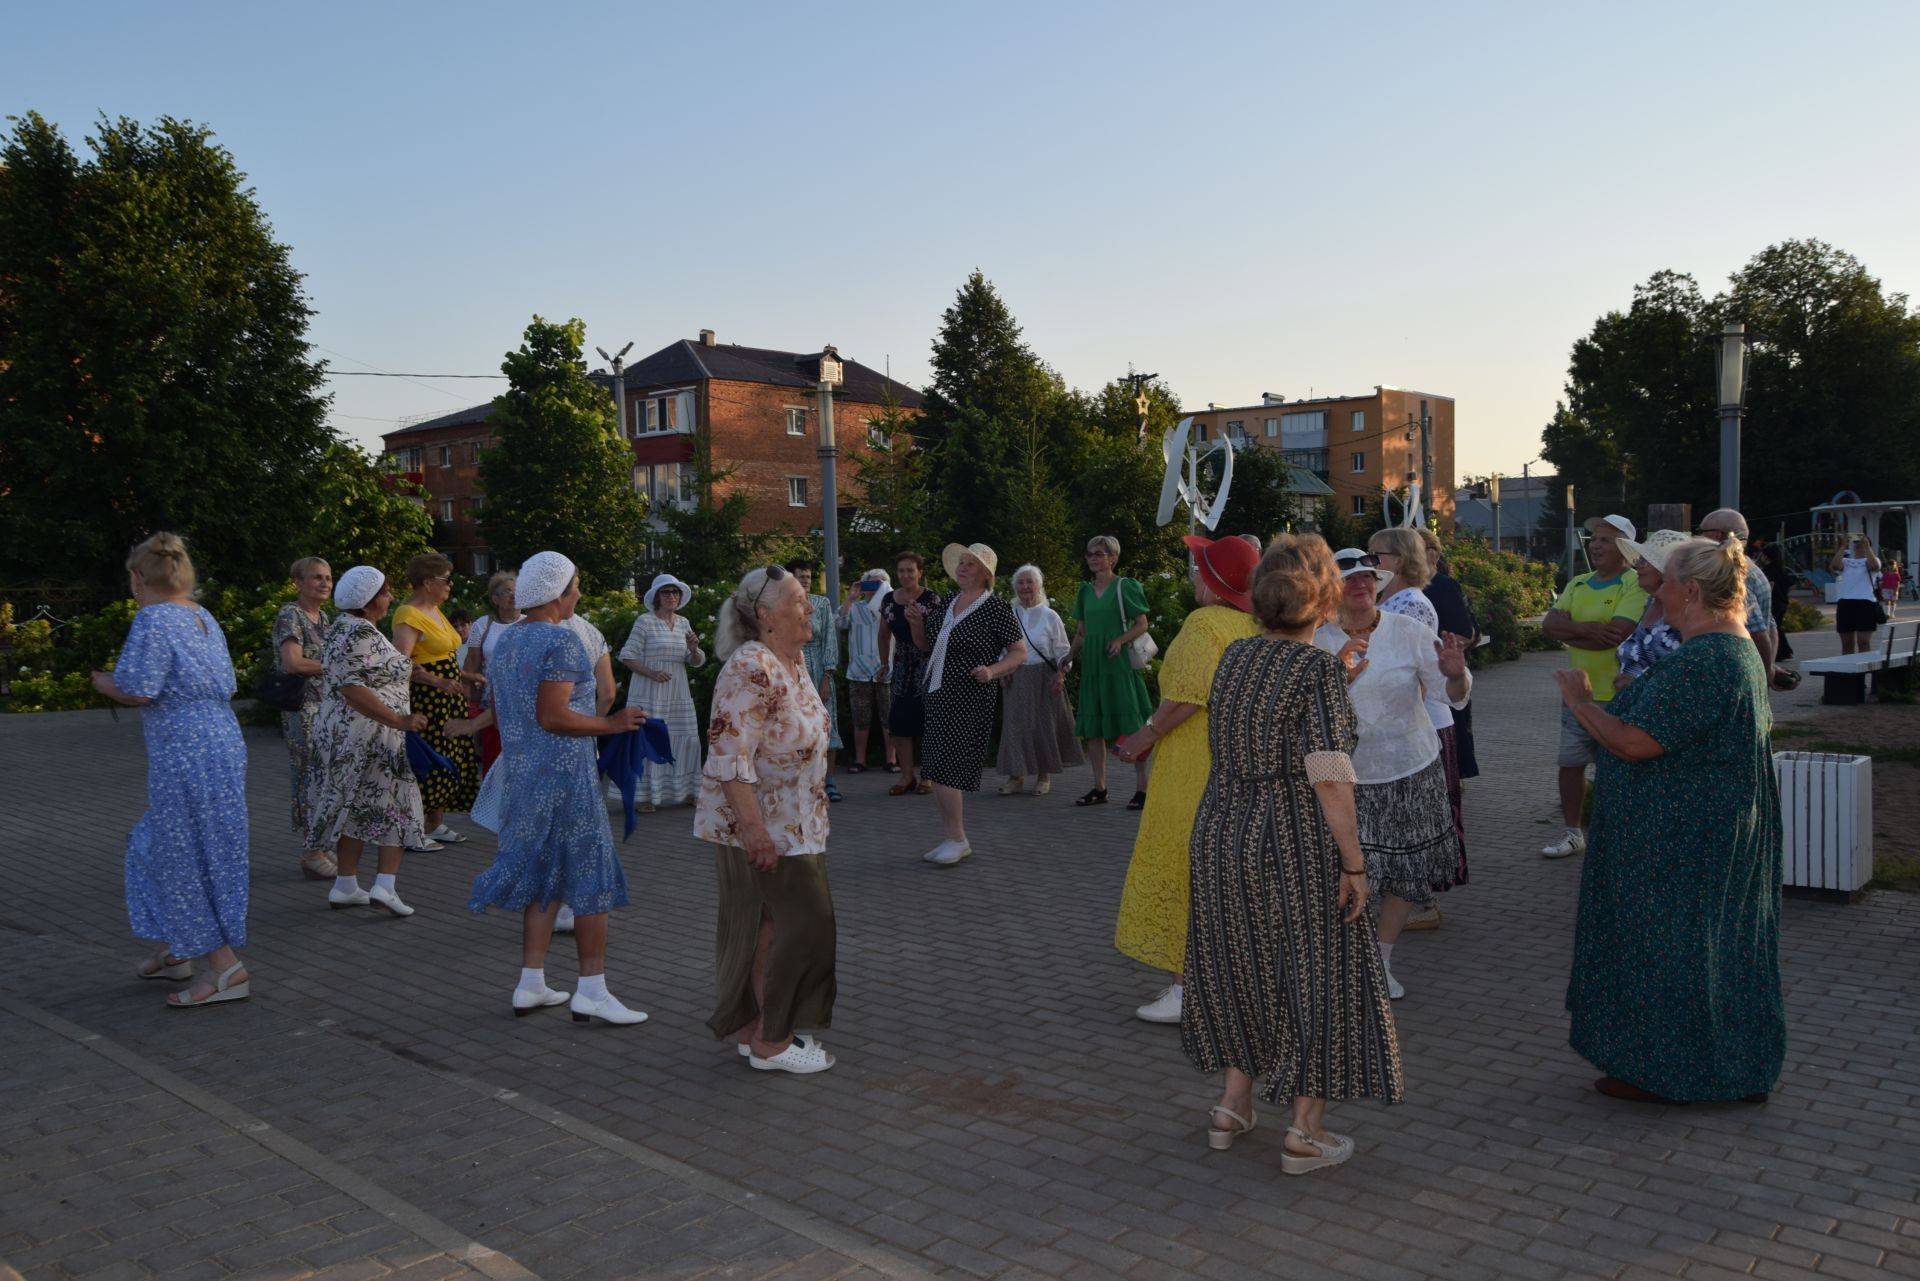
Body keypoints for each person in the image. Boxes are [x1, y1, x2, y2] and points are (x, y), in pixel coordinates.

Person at [1182, 534, 1402, 1174]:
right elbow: (1329, 774)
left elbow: (1266, 721)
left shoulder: (1237, 658)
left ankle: (1231, 1104)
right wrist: (1355, 864)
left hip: (1223, 831)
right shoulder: (1318, 671)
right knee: (1318, 975)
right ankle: (1305, 1132)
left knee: (1237, 963)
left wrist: (1339, 683)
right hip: (1291, 840)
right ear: (1327, 599)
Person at [1557, 537, 1784, 1104]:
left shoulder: (1709, 659)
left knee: (1673, 948)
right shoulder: (1728, 651)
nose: (1648, 585)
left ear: (1689, 590)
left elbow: (1635, 743)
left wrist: (1583, 704)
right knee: (1705, 949)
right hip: (1697, 829)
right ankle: (1711, 1064)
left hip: (1681, 840)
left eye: (1662, 578)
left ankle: (1676, 1071)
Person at [468, 552, 651, 1024]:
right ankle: (592, 989)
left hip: (523, 775)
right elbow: (553, 716)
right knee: (591, 879)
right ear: (557, 594)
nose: (579, 595)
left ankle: (531, 982)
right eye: (575, 587)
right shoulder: (562, 641)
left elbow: (510, 712)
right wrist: (611, 725)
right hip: (566, 777)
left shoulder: (507, 641)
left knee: (542, 875)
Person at [90, 533, 253, 1008]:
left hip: (184, 747)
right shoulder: (201, 616)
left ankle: (225, 968)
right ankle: (176, 948)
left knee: (186, 854)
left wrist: (105, 684)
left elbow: (138, 688)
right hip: (221, 737)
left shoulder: (153, 618)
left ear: (139, 578)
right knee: (154, 842)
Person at [695, 565, 839, 1074]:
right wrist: (755, 833)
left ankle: (754, 1030)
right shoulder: (750, 666)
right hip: (761, 828)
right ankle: (773, 1043)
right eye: (799, 600)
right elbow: (729, 757)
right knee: (806, 927)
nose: (809, 607)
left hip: (798, 822)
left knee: (773, 929)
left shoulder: (791, 660)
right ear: (766, 615)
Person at [1111, 535, 1259, 1023]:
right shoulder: (1256, 624)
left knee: (1183, 866)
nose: (1193, 575)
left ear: (1214, 580)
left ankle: (1186, 989)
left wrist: (1143, 735)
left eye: (1198, 568)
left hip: (1193, 762)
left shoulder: (1204, 623)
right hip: (1233, 761)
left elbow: (1188, 696)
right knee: (1220, 873)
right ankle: (1227, 983)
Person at [1315, 549, 1471, 1001]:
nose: (1361, 584)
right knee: (1346, 872)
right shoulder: (1317, 639)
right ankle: (1349, 962)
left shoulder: (1409, 631)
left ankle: (1381, 959)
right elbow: (1307, 710)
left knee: (1404, 871)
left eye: (1368, 576)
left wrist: (1455, 675)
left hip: (1409, 768)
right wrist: (1337, 678)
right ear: (1331, 589)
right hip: (1345, 777)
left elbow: (1453, 694)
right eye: (1349, 578)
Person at [306, 565, 429, 917]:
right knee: (398, 806)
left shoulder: (343, 627)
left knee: (357, 807)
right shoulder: (360, 632)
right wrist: (398, 720)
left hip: (348, 733)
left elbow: (371, 674)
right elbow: (351, 687)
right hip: (372, 735)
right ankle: (385, 886)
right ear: (370, 600)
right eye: (386, 593)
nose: (390, 598)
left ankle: (345, 885)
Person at [904, 543, 1027, 866]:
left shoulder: (996, 609)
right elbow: (927, 646)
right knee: (935, 763)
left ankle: (957, 838)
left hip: (969, 693)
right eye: (961, 563)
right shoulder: (948, 602)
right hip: (939, 690)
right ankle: (952, 836)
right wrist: (916, 623)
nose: (961, 568)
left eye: (970, 564)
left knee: (948, 764)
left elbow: (1019, 652)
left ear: (985, 573)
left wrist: (993, 670)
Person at [1369, 527, 1470, 916]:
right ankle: (1407, 897)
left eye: (1376, 555)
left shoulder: (1412, 604)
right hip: (1400, 726)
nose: (1369, 563)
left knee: (1418, 818)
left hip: (1421, 724)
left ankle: (1420, 900)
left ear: (1400, 561)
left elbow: (1418, 675)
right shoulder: (1394, 601)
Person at [1540, 515, 1647, 859]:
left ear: (1626, 549)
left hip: (1620, 696)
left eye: (1605, 540)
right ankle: (1573, 834)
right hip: (1576, 696)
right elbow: (1550, 627)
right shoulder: (1579, 583)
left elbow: (1616, 635)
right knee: (1570, 763)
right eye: (1594, 539)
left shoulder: (1635, 583)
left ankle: (1619, 833)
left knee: (1617, 767)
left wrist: (1573, 628)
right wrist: (1590, 630)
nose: (1596, 545)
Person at [391, 553, 480, 849]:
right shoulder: (409, 614)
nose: (450, 586)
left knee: (449, 755)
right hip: (428, 699)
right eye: (446, 579)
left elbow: (442, 656)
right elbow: (401, 662)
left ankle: (434, 823)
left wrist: (465, 676)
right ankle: (411, 830)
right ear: (428, 582)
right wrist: (436, 681)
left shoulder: (435, 610)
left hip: (447, 697)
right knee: (429, 759)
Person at [1068, 535, 1154, 809]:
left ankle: (1142, 788)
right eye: (1089, 554)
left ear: (1112, 558)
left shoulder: (1125, 587)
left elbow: (1142, 624)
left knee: (1131, 724)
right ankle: (1099, 787)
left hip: (1117, 665)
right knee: (1094, 728)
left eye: (1099, 553)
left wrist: (1120, 639)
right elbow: (1081, 632)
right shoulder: (1084, 591)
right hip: (1094, 665)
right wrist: (1069, 656)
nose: (1093, 558)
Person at [272, 556, 336, 880]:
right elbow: (292, 663)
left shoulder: (324, 617)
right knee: (311, 779)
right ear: (298, 581)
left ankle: (320, 845)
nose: (324, 583)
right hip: (303, 709)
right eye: (316, 577)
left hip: (326, 708)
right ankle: (311, 851)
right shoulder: (291, 615)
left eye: (327, 577)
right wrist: (334, 667)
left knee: (325, 778)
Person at [618, 573, 705, 809]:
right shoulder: (644, 622)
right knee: (649, 739)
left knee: (687, 738)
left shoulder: (684, 623)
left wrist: (694, 649)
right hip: (649, 691)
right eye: (666, 592)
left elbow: (694, 661)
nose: (671, 596)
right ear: (656, 596)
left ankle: (689, 791)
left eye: (675, 592)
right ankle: (643, 797)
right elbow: (627, 656)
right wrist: (651, 673)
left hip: (678, 692)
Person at [995, 564, 1083, 797]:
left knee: (1043, 726)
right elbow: (1002, 649)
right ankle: (1016, 776)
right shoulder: (1009, 614)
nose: (1025, 586)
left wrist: (1061, 674)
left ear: (1039, 586)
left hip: (1045, 677)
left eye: (1029, 582)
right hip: (1016, 675)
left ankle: (1044, 777)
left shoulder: (1049, 616)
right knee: (1015, 727)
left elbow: (1063, 650)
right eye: (1020, 582)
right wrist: (1002, 671)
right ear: (1015, 587)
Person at [877, 551, 937, 795]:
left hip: (927, 664)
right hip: (902, 667)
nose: (905, 575)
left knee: (930, 721)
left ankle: (929, 777)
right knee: (900, 723)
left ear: (920, 572)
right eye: (901, 570)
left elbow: (940, 635)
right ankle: (906, 776)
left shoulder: (932, 599)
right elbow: (883, 634)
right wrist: (884, 663)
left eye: (910, 570)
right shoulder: (889, 599)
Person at [1697, 509, 1776, 684]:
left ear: (1716, 535)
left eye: (1701, 532)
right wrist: (1769, 667)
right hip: (1747, 669)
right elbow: (1770, 623)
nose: (1698, 539)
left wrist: (1765, 673)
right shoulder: (1750, 568)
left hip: (1739, 673)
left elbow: (1758, 633)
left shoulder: (1733, 575)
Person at [789, 559, 844, 803]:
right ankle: (803, 781)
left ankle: (828, 780)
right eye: (801, 576)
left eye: (809, 577)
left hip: (819, 667)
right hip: (794, 668)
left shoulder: (821, 603)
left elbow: (829, 640)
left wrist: (827, 675)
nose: (806, 581)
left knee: (827, 724)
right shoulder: (785, 605)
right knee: (797, 726)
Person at [1613, 531, 1691, 686]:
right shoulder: (1651, 602)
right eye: (1639, 559)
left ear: (1665, 569)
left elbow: (1686, 674)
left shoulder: (1684, 611)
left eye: (1645, 560)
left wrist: (1635, 683)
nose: (1637, 565)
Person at [461, 570, 520, 775]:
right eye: (506, 592)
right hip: (490, 702)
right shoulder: (482, 625)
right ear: (495, 598)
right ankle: (493, 804)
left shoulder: (531, 623)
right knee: (494, 759)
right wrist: (466, 699)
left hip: (523, 703)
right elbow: (472, 662)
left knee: (521, 759)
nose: (513, 595)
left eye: (516, 591)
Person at [837, 568, 896, 773]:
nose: (874, 588)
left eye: (879, 584)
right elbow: (839, 622)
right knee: (860, 718)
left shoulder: (891, 609)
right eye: (870, 584)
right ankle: (860, 760)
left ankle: (891, 760)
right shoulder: (855, 607)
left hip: (886, 671)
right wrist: (850, 598)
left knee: (889, 718)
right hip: (859, 671)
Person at [1830, 534, 1883, 654]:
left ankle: (1864, 668)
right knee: (1847, 643)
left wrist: (1867, 547)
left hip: (1865, 603)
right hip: (1845, 603)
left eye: (1862, 542)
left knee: (1863, 642)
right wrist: (1843, 546)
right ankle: (1848, 671)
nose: (1858, 545)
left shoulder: (1873, 560)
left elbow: (1874, 566)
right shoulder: (1846, 561)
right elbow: (1835, 566)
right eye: (1856, 543)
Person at [1756, 539, 1795, 661]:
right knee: (1778, 626)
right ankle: (1785, 651)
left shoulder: (1767, 571)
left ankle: (1780, 652)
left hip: (1773, 602)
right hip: (1782, 602)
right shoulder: (1783, 570)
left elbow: (1769, 585)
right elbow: (1791, 584)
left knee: (1773, 627)